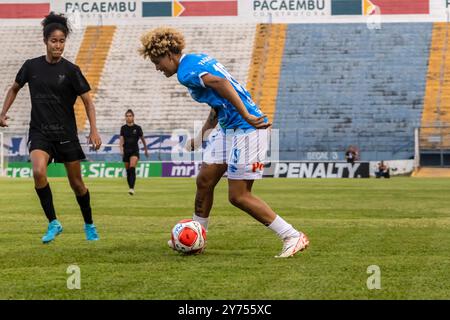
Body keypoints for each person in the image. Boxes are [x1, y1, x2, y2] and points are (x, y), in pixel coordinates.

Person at [139, 27, 309, 258]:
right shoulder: (197, 59)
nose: (157, 68)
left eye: (157, 61)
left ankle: (292, 235)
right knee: (205, 180)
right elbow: (217, 104)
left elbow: (220, 83)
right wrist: (200, 137)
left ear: (169, 55)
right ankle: (198, 237)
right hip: (229, 128)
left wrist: (247, 115)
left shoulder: (185, 72)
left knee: (238, 196)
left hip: (247, 129)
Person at [0, 12, 101, 243]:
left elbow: (88, 102)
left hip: (66, 134)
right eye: (54, 41)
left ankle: (89, 224)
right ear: (45, 41)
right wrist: (3, 112)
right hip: (40, 132)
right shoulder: (31, 66)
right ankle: (53, 222)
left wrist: (93, 130)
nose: (58, 45)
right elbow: (14, 88)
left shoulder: (71, 70)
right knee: (38, 172)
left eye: (62, 40)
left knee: (77, 185)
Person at [119, 109, 148, 195]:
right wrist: (121, 150)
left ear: (133, 117)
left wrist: (146, 149)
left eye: (130, 116)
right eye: (127, 116)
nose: (128, 118)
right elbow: (121, 141)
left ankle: (132, 188)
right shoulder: (123, 128)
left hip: (134, 151)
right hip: (126, 152)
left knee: (132, 168)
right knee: (128, 171)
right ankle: (130, 187)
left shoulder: (138, 128)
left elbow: (143, 140)